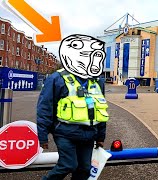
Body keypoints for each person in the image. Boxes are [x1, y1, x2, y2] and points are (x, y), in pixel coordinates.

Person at [37, 34, 109, 180]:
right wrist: (42, 136)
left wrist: (100, 136)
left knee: (84, 169)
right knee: (68, 164)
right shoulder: (56, 78)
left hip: (89, 134)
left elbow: (100, 109)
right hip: (65, 132)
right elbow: (45, 107)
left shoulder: (97, 82)